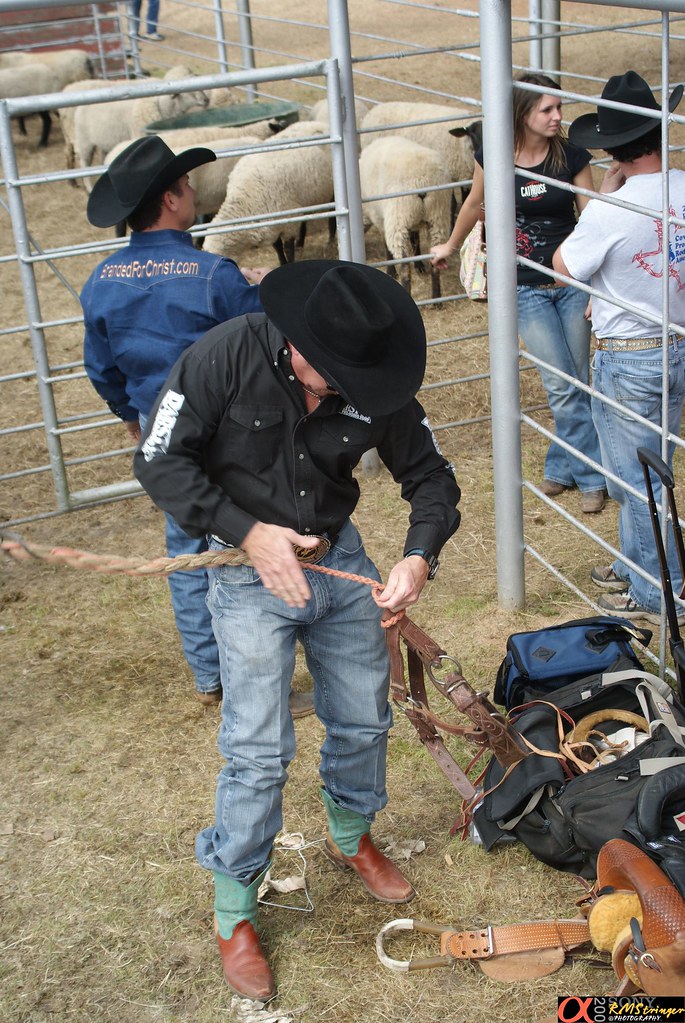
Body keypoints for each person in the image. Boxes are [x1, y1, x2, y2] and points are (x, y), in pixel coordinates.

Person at [132, 258, 462, 999]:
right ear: (296, 342)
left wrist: (416, 556)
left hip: (337, 558)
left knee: (362, 720)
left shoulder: (374, 378)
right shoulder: (221, 356)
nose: (339, 393)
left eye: (352, 383)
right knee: (256, 749)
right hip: (246, 572)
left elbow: (431, 477)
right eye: (328, 378)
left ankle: (351, 838)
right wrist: (246, 533)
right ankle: (235, 907)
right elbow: (159, 461)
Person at [80, 135, 266, 707]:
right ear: (170, 199)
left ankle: (209, 673)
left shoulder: (102, 281)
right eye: (186, 187)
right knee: (246, 540)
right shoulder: (214, 274)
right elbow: (260, 344)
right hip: (225, 427)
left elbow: (102, 367)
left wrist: (132, 418)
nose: (192, 193)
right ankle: (251, 672)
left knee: (186, 548)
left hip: (159, 427)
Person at [431, 73, 607, 514]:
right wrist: (450, 246)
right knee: (561, 383)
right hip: (524, 287)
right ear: (522, 113)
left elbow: (591, 219)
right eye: (547, 109)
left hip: (570, 284)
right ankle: (592, 478)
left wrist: (597, 284)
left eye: (558, 108)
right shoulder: (495, 155)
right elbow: (476, 203)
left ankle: (561, 468)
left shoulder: (571, 155)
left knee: (576, 381)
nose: (557, 117)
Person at [553, 70, 685, 625]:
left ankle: (663, 593)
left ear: (612, 150)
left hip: (628, 352)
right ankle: (635, 567)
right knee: (654, 469)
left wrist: (603, 194)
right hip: (676, 343)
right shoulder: (683, 187)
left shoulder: (610, 210)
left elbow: (562, 269)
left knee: (637, 484)